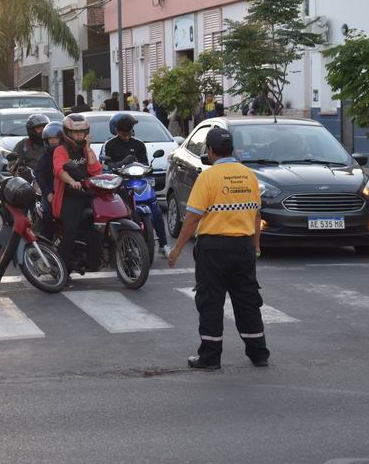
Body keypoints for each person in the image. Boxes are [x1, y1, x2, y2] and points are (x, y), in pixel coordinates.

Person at [168, 128, 269, 370]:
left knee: (211, 301)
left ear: (211, 151)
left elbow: (192, 218)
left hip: (214, 249)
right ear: (231, 149)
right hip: (243, 247)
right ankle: (259, 353)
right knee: (247, 300)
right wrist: (255, 245)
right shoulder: (249, 176)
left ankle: (210, 357)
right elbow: (256, 213)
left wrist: (177, 248)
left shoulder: (209, 177)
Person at [103, 113, 171, 258]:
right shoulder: (109, 145)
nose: (126, 137)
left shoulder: (138, 144)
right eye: (123, 134)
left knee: (155, 208)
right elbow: (106, 165)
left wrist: (144, 166)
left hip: (139, 180)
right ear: (117, 132)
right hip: (119, 183)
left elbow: (145, 163)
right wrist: (121, 163)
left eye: (128, 134)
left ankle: (164, 244)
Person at [52, 114, 103, 268]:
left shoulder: (87, 149)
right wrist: (72, 182)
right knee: (71, 230)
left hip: (87, 193)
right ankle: (60, 268)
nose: (80, 135)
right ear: (67, 133)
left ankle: (94, 260)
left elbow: (96, 171)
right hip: (69, 195)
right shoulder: (61, 150)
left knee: (100, 224)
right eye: (76, 132)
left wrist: (87, 149)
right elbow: (59, 170)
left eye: (83, 132)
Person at [35, 121, 63, 239]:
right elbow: (39, 175)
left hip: (65, 191)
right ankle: (46, 238)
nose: (53, 141)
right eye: (50, 139)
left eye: (56, 138)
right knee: (47, 211)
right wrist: (47, 193)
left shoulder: (66, 154)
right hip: (50, 192)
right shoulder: (45, 158)